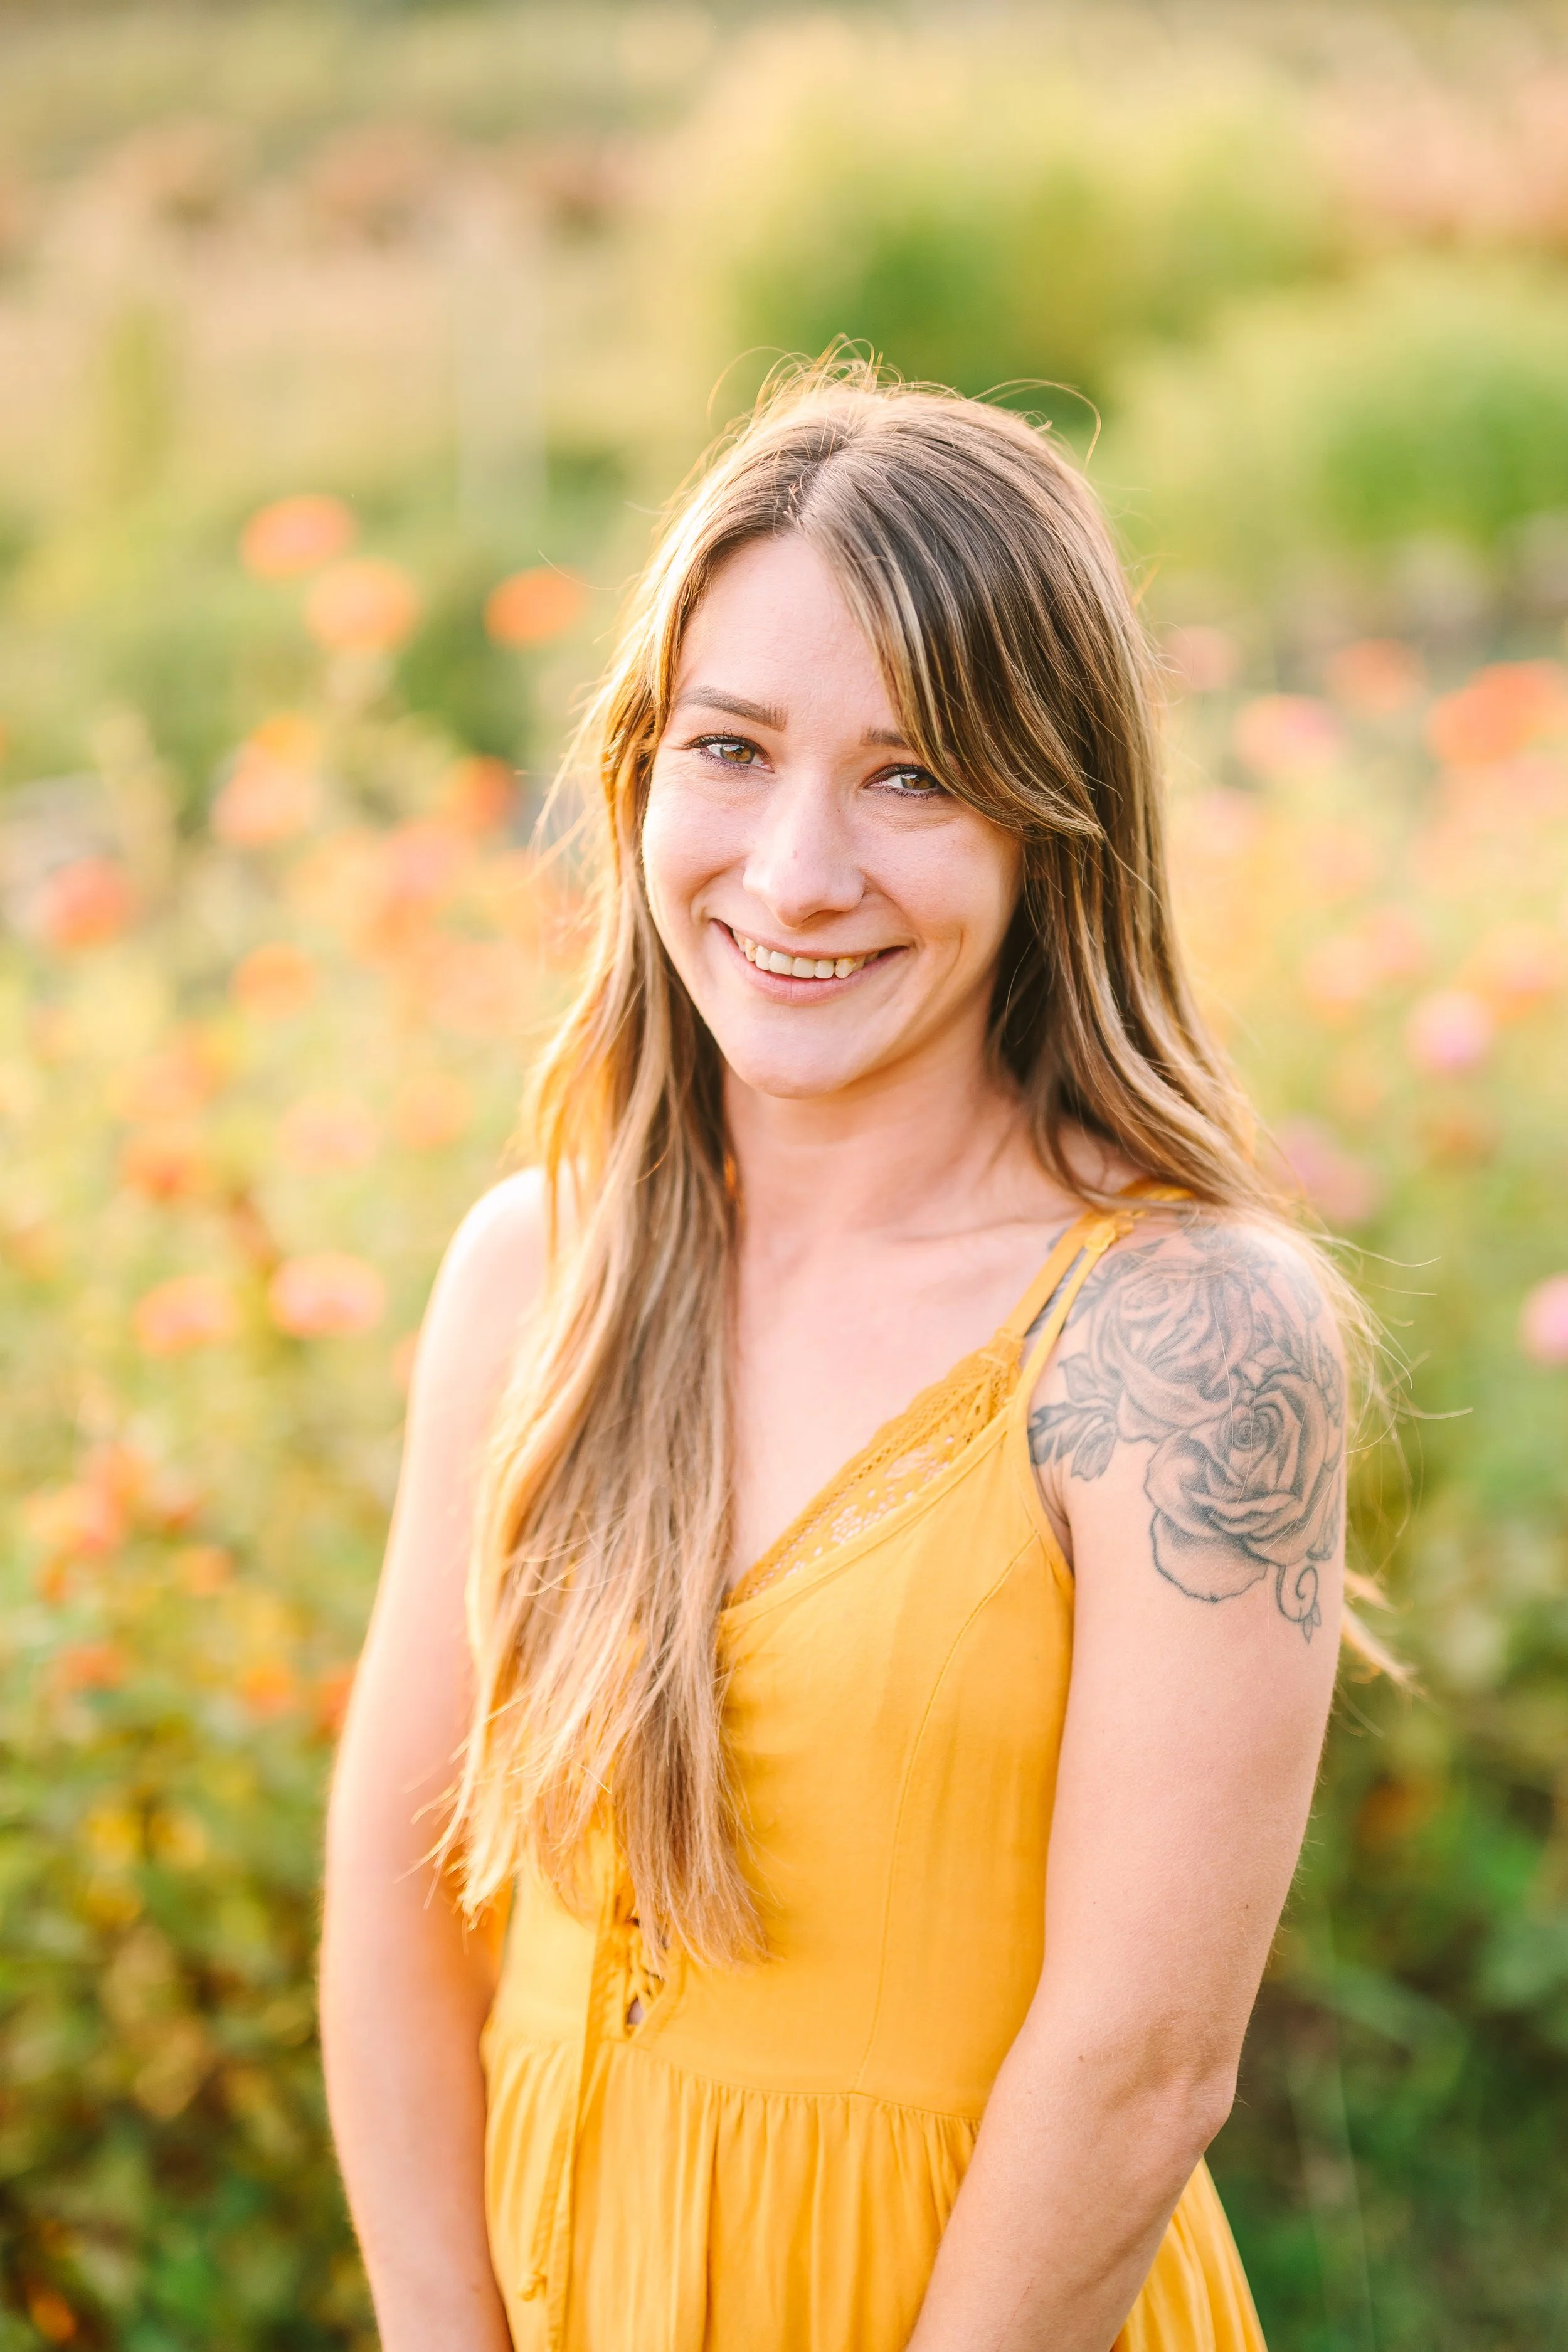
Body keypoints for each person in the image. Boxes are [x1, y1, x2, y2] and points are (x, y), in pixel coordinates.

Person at [321, 362, 1374, 2352]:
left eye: (911, 776)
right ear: (639, 770)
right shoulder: (526, 1271)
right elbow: (398, 1916)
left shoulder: (1183, 1333)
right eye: (732, 749)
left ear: (1053, 822)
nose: (797, 872)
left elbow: (1144, 2059)